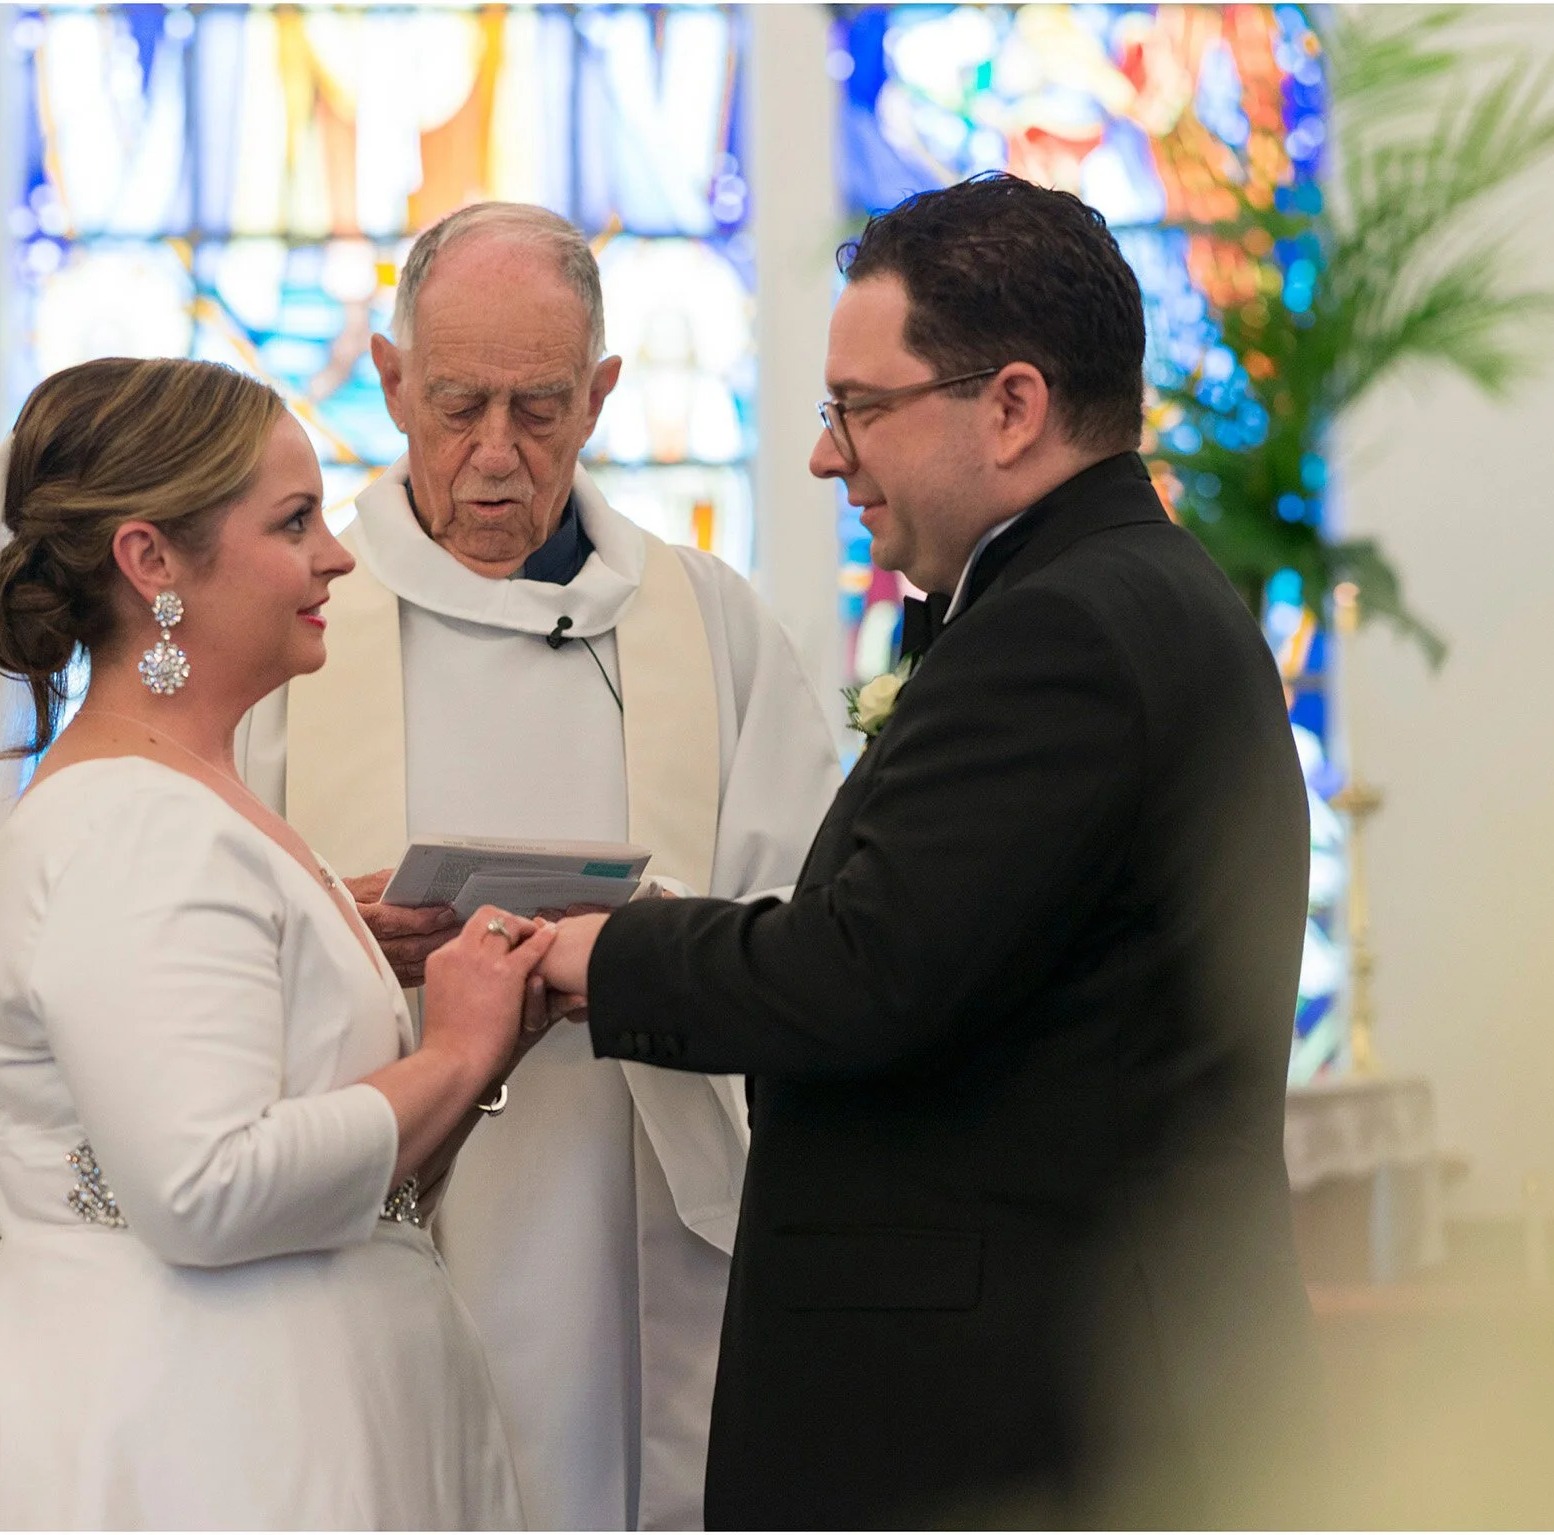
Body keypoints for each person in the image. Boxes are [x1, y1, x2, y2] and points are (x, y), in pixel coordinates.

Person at [539, 174, 1324, 1528]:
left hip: (1005, 1414)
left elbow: (867, 966)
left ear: (1011, 406)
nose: (825, 456)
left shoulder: (1063, 632)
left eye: (859, 406)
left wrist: (602, 951)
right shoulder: (1141, 593)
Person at [0, 357, 550, 1529]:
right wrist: (453, 1050)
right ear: (151, 562)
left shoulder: (181, 799)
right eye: (293, 521)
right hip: (188, 1444)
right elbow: (203, 1186)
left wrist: (423, 990)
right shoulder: (133, 821)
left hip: (263, 1404)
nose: (336, 555)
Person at [236, 201, 840, 1531]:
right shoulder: (288, 612)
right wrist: (335, 929)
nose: (497, 457)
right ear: (392, 385)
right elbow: (192, 890)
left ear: (604, 396)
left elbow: (818, 928)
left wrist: (654, 947)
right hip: (386, 1199)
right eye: (457, 406)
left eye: (540, 407)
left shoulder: (710, 624)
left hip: (641, 1211)